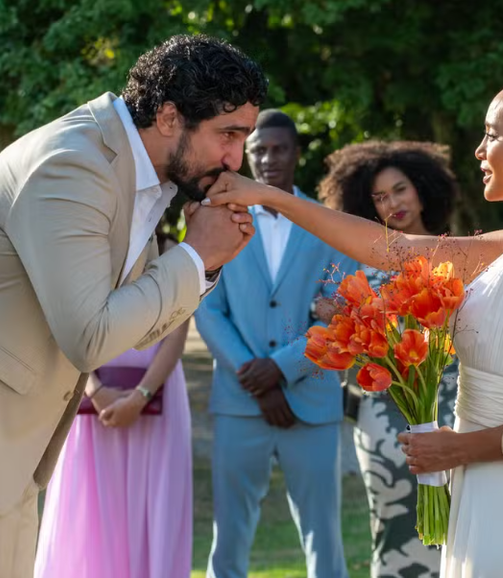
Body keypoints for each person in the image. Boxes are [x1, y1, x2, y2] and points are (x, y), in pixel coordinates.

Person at [204, 55, 503, 577]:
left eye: (490, 134)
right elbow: (392, 249)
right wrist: (269, 195)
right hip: (496, 484)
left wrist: (456, 449)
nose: (479, 151)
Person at [0, 34, 266, 578]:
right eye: (227, 135)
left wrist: (204, 265)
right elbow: (91, 336)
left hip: (2, 457)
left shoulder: (137, 176)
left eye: (244, 137)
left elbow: (133, 330)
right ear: (168, 117)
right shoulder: (73, 165)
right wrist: (194, 256)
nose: (236, 158)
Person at [194, 110, 356, 578]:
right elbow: (207, 308)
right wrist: (257, 377)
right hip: (240, 398)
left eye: (279, 148)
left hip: (313, 398)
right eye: (259, 149)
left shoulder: (328, 224)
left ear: (296, 154)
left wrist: (283, 368)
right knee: (228, 535)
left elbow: (341, 310)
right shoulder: (218, 220)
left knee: (324, 535)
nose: (268, 158)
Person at [318, 140, 460, 577]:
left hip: (452, 406)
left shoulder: (457, 255)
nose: (393, 202)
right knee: (391, 519)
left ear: (421, 189)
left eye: (400, 189)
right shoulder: (363, 266)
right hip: (382, 414)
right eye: (380, 197)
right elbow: (338, 329)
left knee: (461, 518)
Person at [34, 230, 194, 578]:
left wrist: (141, 396)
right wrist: (94, 390)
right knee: (88, 509)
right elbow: (66, 324)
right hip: (91, 401)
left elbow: (176, 335)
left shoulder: (174, 253)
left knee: (153, 508)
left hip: (158, 399)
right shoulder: (85, 247)